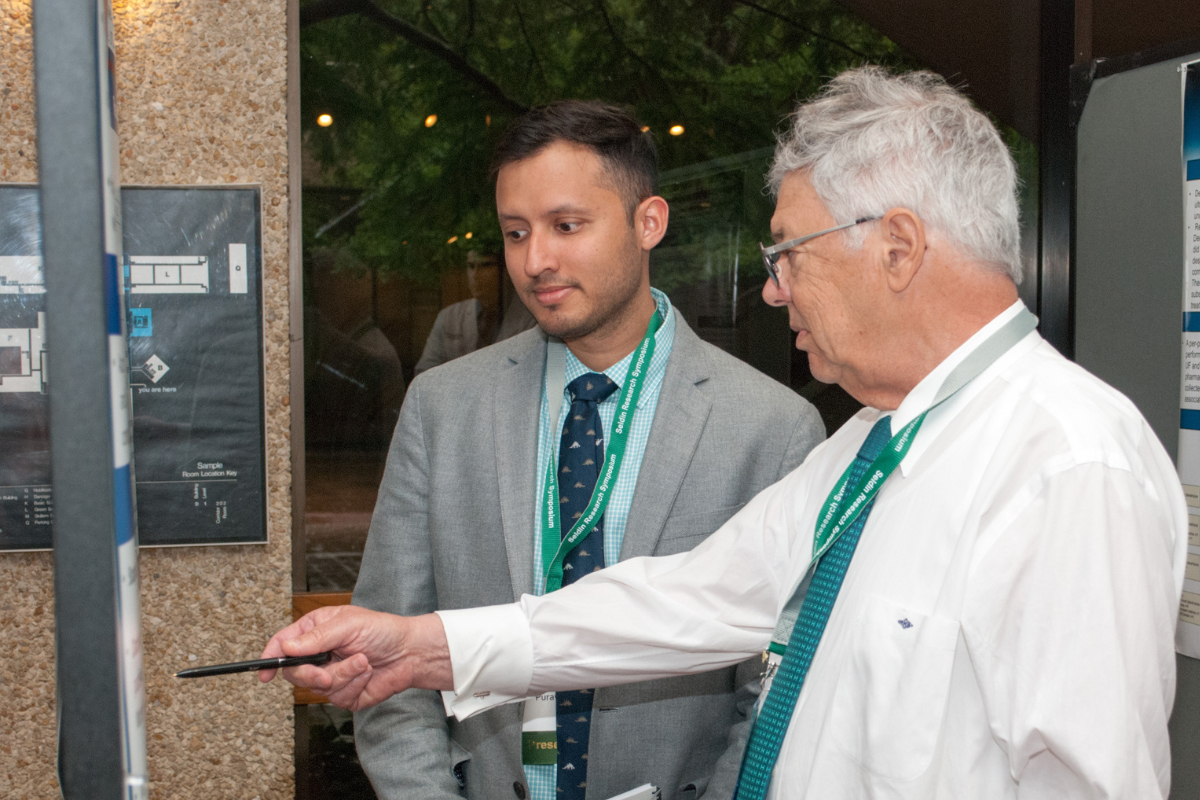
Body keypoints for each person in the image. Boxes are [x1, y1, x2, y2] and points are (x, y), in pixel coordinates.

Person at [264, 69, 1188, 798]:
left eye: (789, 252)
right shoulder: (874, 445)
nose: (774, 288)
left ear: (898, 248)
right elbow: (688, 602)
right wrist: (423, 647)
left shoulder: (1069, 464)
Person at [339, 100, 825, 800]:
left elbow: (774, 689)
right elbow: (392, 658)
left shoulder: (770, 428)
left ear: (648, 222)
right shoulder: (444, 408)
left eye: (567, 226)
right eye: (514, 233)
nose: (536, 261)